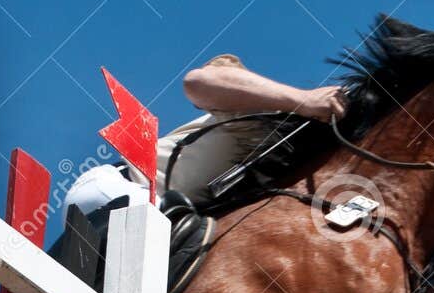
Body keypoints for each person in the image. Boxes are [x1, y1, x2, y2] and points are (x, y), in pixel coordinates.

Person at [64, 53, 347, 216]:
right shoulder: (263, 107)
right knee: (157, 226)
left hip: (173, 215)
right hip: (118, 189)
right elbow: (197, 82)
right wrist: (303, 100)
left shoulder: (284, 173)